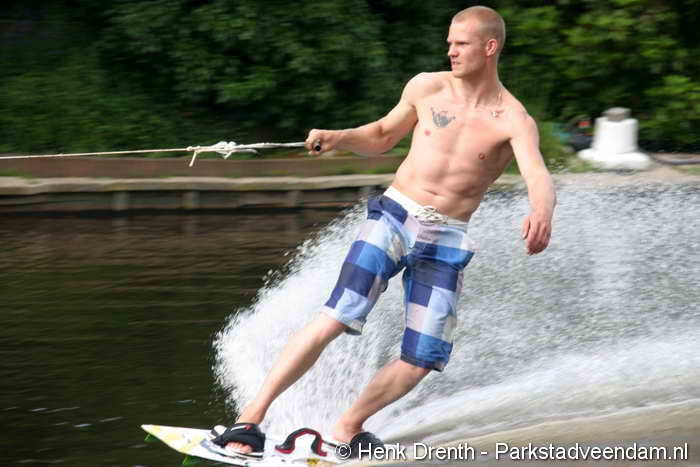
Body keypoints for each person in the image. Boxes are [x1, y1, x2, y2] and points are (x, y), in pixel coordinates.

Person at [211, 5, 555, 457]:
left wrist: (541, 211)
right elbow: (381, 136)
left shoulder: (512, 119)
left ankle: (347, 429)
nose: (451, 51)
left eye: (461, 44)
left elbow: (537, 174)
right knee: (338, 314)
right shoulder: (426, 87)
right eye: (449, 43)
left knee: (424, 356)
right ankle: (250, 421)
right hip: (394, 216)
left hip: (446, 238)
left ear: (489, 47)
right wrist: (339, 137)